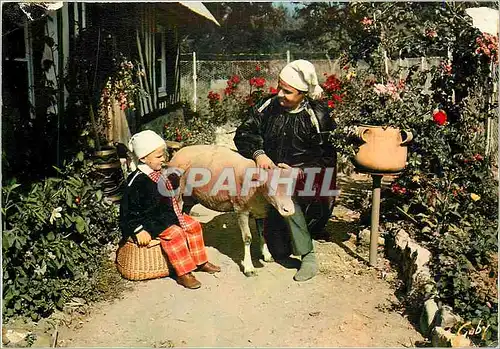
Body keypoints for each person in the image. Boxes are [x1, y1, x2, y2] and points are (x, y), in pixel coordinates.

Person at [234, 59, 337, 282]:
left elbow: (327, 159)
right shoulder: (268, 105)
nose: (280, 94)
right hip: (270, 179)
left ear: (303, 94)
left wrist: (299, 172)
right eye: (279, 87)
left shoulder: (317, 117)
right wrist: (258, 153)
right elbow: (244, 133)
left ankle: (308, 256)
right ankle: (281, 236)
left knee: (289, 201)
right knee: (279, 251)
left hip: (304, 183)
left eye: (287, 91)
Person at [119, 130, 220, 289]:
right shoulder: (137, 182)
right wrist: (138, 230)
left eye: (163, 155)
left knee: (193, 225)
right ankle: (183, 272)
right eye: (159, 157)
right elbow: (127, 210)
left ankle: (200, 261)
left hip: (165, 215)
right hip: (149, 221)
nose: (163, 159)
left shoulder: (158, 173)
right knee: (176, 234)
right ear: (144, 158)